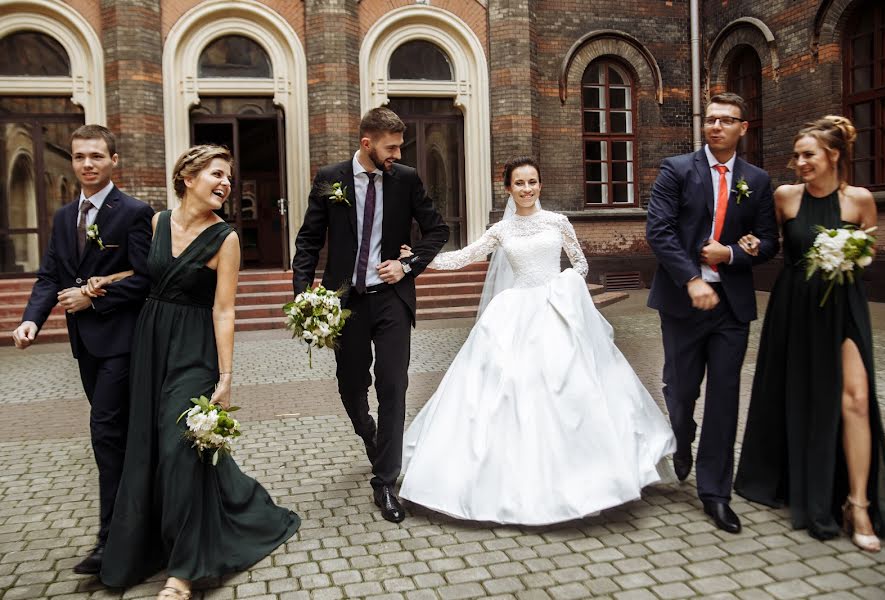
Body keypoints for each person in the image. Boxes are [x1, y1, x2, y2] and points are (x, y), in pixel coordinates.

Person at [398, 156, 676, 525]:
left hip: (555, 307)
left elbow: (579, 264)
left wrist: (565, 286)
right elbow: (462, 258)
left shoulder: (557, 222)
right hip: (515, 311)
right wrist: (419, 258)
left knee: (570, 386)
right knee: (508, 387)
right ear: (508, 188)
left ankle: (592, 478)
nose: (527, 189)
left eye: (532, 182)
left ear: (540, 185)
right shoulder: (501, 230)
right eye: (519, 183)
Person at [97, 145, 300, 599]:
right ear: (187, 177)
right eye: (217, 174)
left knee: (178, 449)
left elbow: (224, 310)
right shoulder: (156, 223)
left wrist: (226, 378)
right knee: (148, 447)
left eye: (228, 177)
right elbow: (145, 275)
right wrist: (105, 282)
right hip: (150, 345)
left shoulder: (225, 239)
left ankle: (184, 573)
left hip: (194, 351)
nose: (225, 183)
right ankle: (141, 549)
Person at [734, 116, 885, 551]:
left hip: (844, 307)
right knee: (801, 394)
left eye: (808, 155)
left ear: (833, 156)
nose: (799, 163)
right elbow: (767, 242)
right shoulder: (785, 197)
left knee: (857, 400)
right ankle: (799, 481)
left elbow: (870, 252)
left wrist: (851, 255)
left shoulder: (860, 201)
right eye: (797, 155)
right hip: (795, 309)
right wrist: (748, 245)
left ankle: (858, 504)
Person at [291, 107, 449, 523]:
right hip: (346, 302)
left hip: (392, 299)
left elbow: (438, 230)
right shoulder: (330, 178)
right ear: (367, 144)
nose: (398, 152)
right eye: (391, 146)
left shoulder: (407, 179)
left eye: (400, 146)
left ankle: (385, 481)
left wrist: (409, 264)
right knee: (351, 385)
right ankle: (370, 435)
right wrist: (302, 292)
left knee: (394, 385)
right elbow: (308, 239)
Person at [11, 125, 153, 574]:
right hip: (85, 347)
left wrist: (95, 296)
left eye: (95, 155)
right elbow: (51, 275)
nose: (86, 164)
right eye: (78, 157)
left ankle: (110, 542)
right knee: (121, 438)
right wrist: (33, 318)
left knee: (106, 435)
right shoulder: (62, 216)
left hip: (122, 343)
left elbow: (148, 277)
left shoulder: (133, 212)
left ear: (114, 160)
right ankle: (143, 527)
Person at [646, 92, 778, 534]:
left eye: (727, 120)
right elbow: (659, 231)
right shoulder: (677, 170)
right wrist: (692, 278)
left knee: (724, 398)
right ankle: (681, 439)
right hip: (683, 304)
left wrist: (735, 256)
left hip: (732, 309)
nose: (717, 125)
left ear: (744, 127)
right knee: (681, 392)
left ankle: (715, 493)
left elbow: (767, 240)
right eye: (712, 119)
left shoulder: (758, 180)